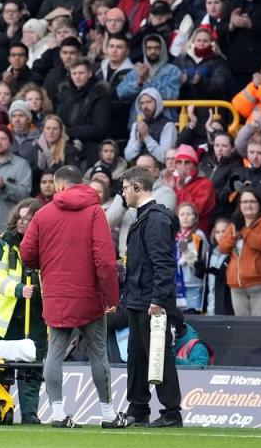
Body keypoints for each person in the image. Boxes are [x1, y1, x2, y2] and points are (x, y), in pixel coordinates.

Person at [20, 166, 126, 429]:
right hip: (89, 294)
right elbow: (105, 260)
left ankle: (57, 413)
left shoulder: (43, 214)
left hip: (56, 291)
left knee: (54, 352)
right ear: (81, 184)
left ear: (59, 186)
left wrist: (48, 265)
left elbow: (27, 254)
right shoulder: (94, 212)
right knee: (98, 353)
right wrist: (111, 296)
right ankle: (108, 414)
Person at [120, 166, 183, 428]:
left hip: (150, 302)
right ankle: (138, 408)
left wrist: (158, 299)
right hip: (137, 299)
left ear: (137, 187)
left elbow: (163, 264)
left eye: (124, 188)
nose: (122, 193)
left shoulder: (155, 219)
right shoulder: (144, 218)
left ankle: (171, 412)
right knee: (137, 355)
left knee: (158, 355)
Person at [0, 199, 47, 424]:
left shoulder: (47, 244)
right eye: (21, 217)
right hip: (3, 319)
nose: (23, 223)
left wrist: (41, 289)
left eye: (29, 219)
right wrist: (18, 289)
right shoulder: (4, 242)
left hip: (37, 315)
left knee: (32, 367)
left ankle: (30, 412)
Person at [217, 186, 261, 316]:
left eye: (252, 201)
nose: (248, 205)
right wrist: (234, 235)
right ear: (239, 205)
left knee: (259, 328)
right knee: (243, 329)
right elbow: (223, 248)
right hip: (236, 286)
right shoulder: (236, 223)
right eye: (245, 202)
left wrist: (244, 230)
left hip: (260, 284)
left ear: (259, 204)